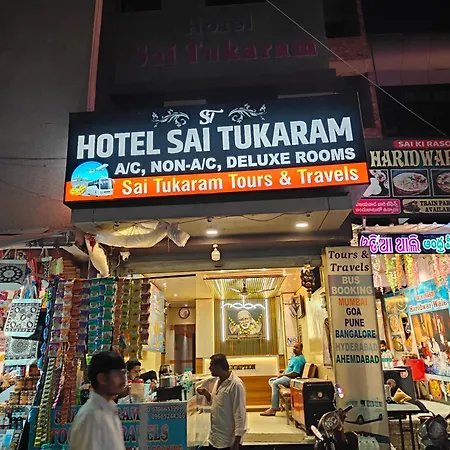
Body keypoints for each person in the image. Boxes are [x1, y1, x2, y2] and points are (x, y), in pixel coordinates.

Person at [69, 351, 127, 450]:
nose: (123, 380)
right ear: (102, 378)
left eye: (124, 374)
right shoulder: (91, 416)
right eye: (118, 375)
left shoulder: (109, 410)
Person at [197, 354, 246, 450]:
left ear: (219, 366)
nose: (209, 368)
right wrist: (207, 395)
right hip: (214, 438)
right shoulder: (218, 381)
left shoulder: (236, 385)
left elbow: (240, 413)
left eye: (211, 365)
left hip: (227, 442)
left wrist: (237, 440)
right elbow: (217, 403)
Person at [260, 342, 306, 416]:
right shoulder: (294, 357)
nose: (294, 349)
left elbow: (295, 373)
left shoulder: (299, 360)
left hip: (291, 379)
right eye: (294, 347)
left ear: (301, 349)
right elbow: (288, 368)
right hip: (286, 376)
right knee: (271, 380)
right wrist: (282, 374)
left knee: (275, 384)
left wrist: (284, 375)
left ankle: (274, 408)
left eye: (297, 348)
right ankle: (280, 400)